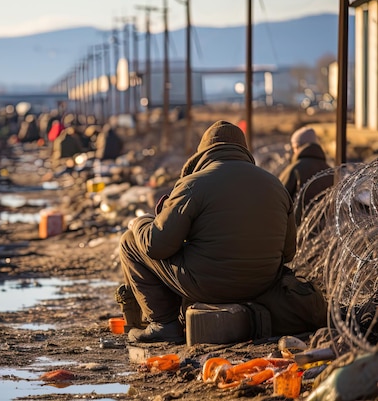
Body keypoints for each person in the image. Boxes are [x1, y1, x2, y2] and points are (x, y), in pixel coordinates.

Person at [119, 120, 297, 343]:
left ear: (203, 152)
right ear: (243, 150)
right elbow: (289, 253)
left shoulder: (193, 184)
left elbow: (156, 245)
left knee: (129, 242)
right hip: (263, 285)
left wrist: (140, 222)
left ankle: (164, 324)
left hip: (208, 286)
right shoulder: (275, 184)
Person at [278, 126, 333, 224]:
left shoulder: (295, 169)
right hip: (324, 228)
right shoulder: (329, 170)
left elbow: (278, 197)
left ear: (298, 147)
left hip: (297, 227)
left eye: (294, 147)